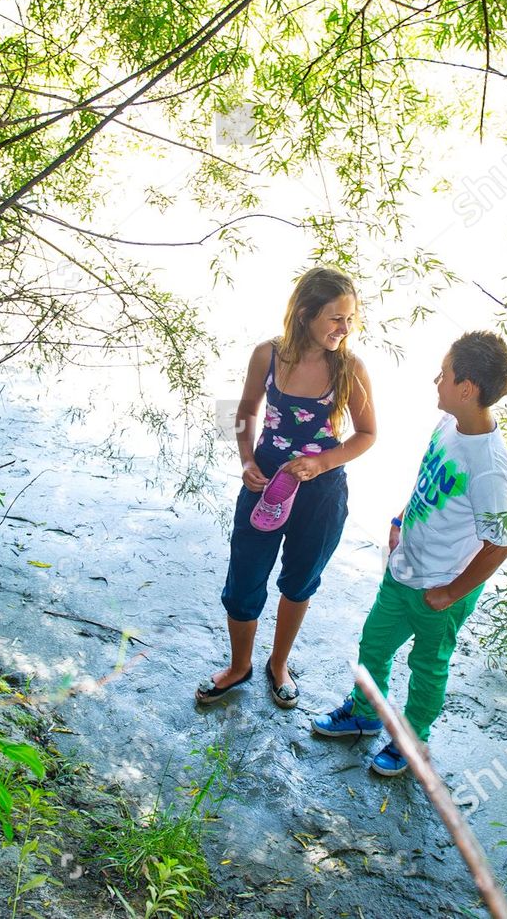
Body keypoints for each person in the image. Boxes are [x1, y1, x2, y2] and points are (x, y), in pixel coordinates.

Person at [311, 331, 507, 775]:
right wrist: (402, 518)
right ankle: (365, 714)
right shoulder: (449, 424)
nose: (435, 381)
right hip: (403, 570)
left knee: (427, 666)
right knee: (374, 645)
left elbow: (500, 544)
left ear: (467, 388)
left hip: (441, 590)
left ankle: (411, 738)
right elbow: (428, 476)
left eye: (443, 374)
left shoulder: (490, 468)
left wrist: (450, 593)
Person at [196, 267, 377, 708]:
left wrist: (321, 463)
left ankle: (279, 664)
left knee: (299, 581)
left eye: (350, 319)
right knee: (244, 580)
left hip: (322, 492)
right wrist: (246, 461)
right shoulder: (267, 355)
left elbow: (367, 434)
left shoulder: (349, 368)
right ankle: (240, 667)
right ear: (304, 314)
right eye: (335, 317)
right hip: (265, 482)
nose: (344, 328)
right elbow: (242, 412)